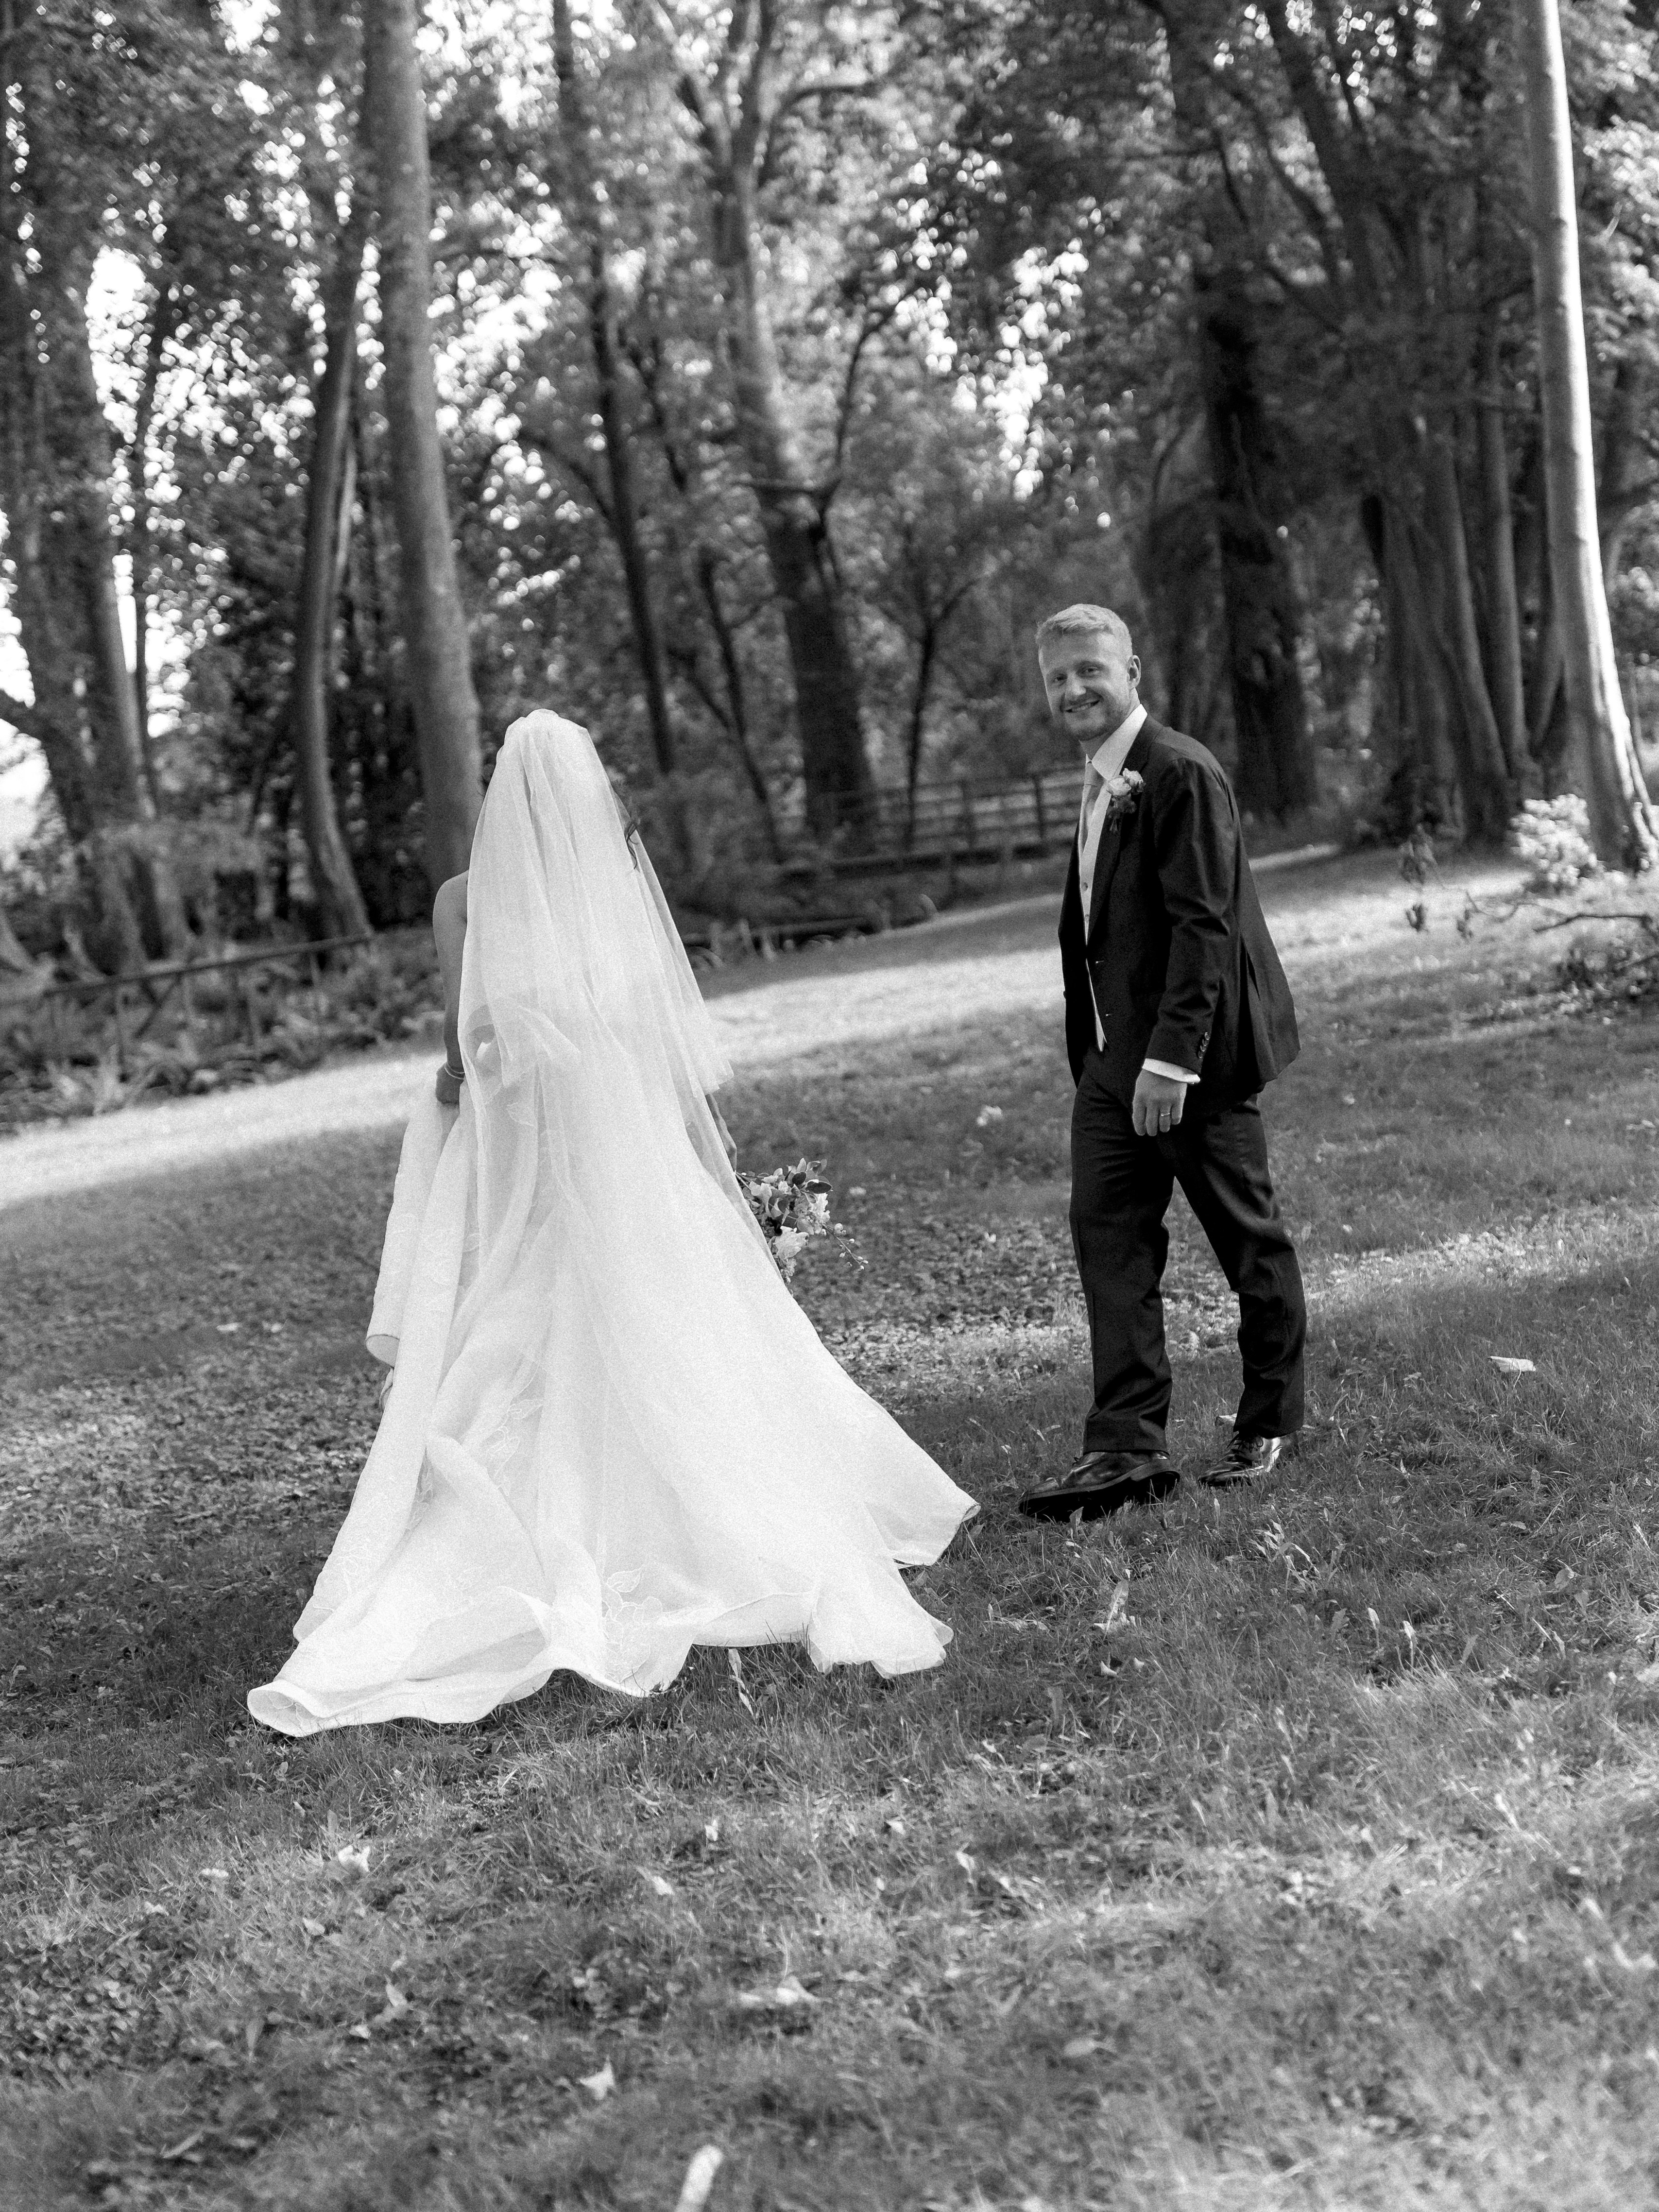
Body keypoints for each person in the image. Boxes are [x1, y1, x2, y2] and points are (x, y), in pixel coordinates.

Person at [249, 711, 975, 1734]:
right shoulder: (617, 887)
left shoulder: (462, 901)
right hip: (634, 1160)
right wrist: (711, 1175)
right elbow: (663, 1049)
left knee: (526, 1337)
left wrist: (465, 1079)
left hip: (541, 1168)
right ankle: (715, 1514)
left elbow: (465, 1050)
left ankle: (551, 1528)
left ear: (502, 797)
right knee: (687, 1333)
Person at [1018, 606, 1306, 1522]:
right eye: (1058, 677)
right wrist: (1105, 1055)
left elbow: (1204, 926)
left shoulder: (1178, 771)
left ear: (1132, 671)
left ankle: (1268, 1422)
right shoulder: (1102, 781)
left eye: (1089, 671)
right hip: (1111, 1064)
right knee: (1109, 1244)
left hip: (1193, 1064)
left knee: (1246, 1239)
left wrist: (1171, 1064)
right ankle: (1126, 1447)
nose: (1073, 689)